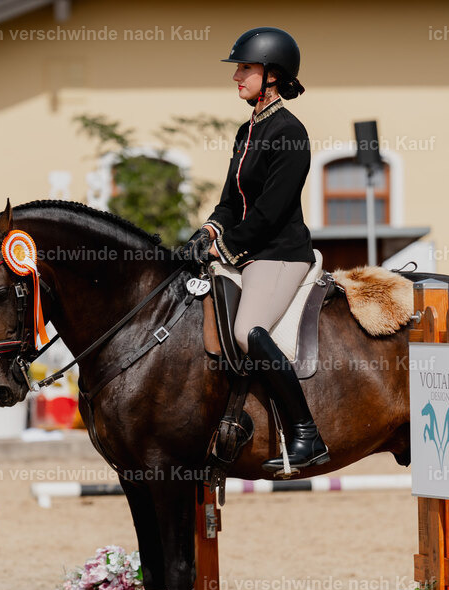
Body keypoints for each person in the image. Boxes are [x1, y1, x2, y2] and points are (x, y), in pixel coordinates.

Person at [180, 27, 328, 475]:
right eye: (239, 68)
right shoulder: (247, 130)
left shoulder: (290, 133)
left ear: (272, 75)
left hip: (279, 254)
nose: (236, 76)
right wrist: (206, 234)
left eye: (244, 67)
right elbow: (231, 201)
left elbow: (267, 213)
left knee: (247, 330)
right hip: (247, 250)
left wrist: (223, 248)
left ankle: (306, 432)